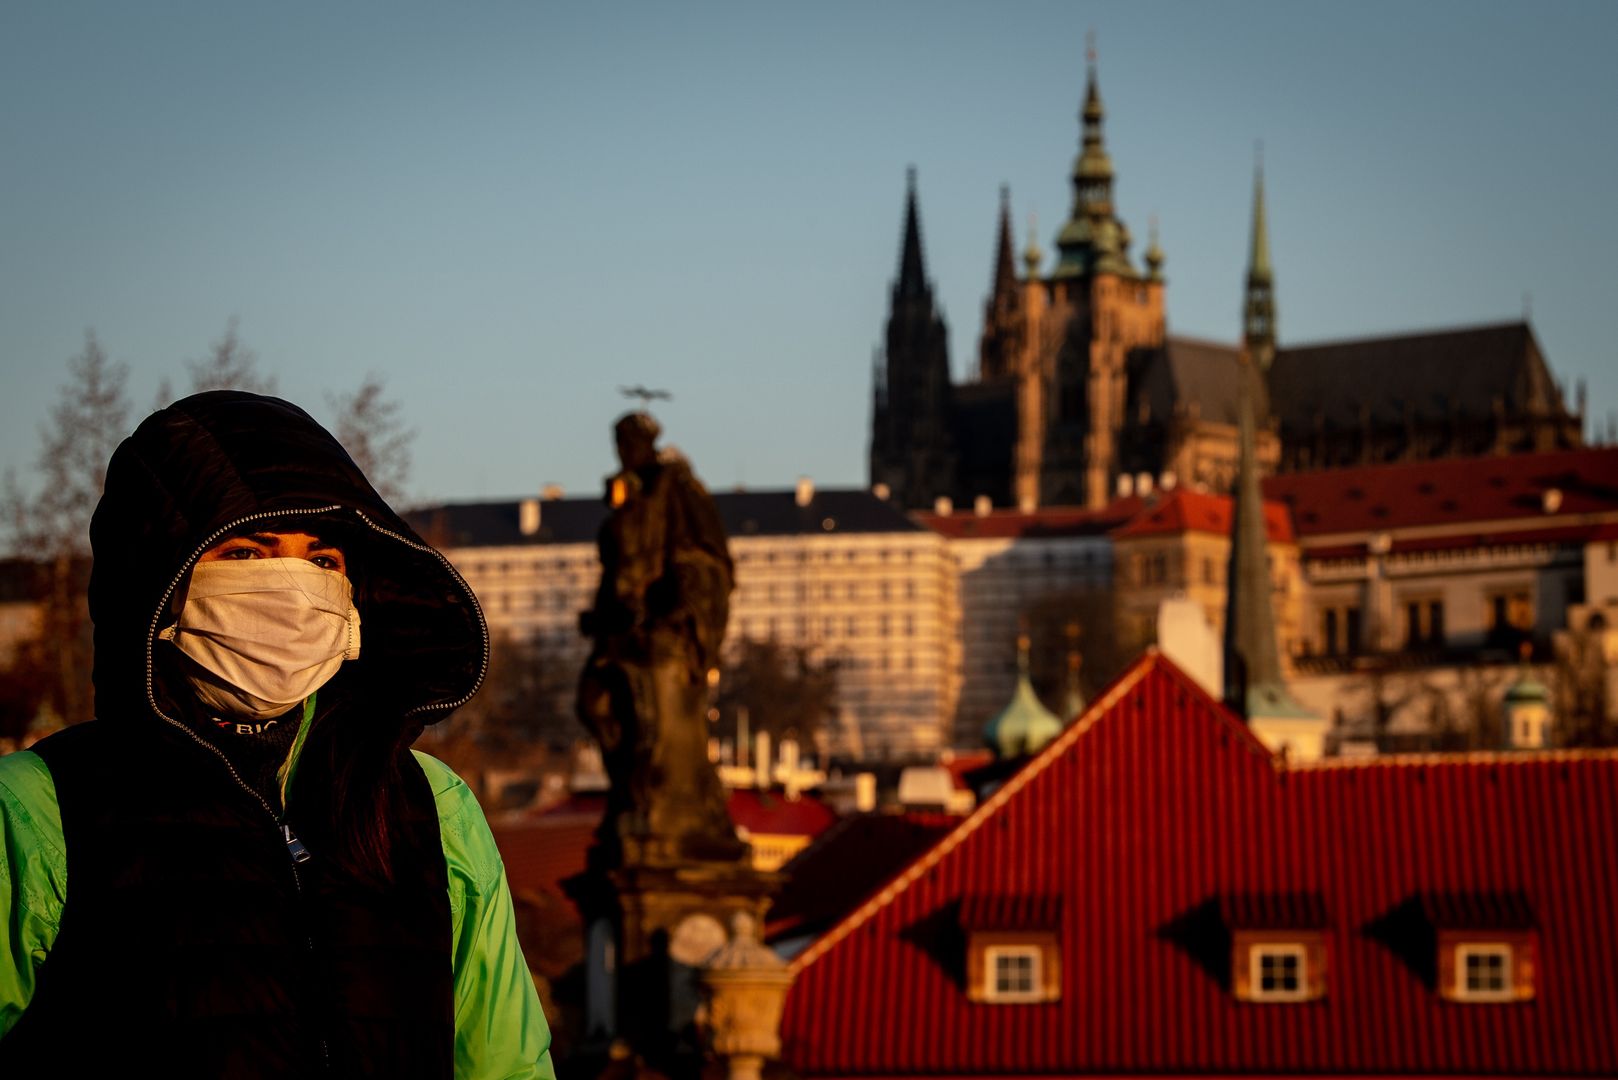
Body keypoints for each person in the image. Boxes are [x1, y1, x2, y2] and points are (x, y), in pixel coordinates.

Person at [0, 391, 554, 1078]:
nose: (292, 590)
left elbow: (503, 1063)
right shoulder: (39, 809)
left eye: (323, 561)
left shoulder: (429, 805)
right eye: (249, 554)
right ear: (159, 582)